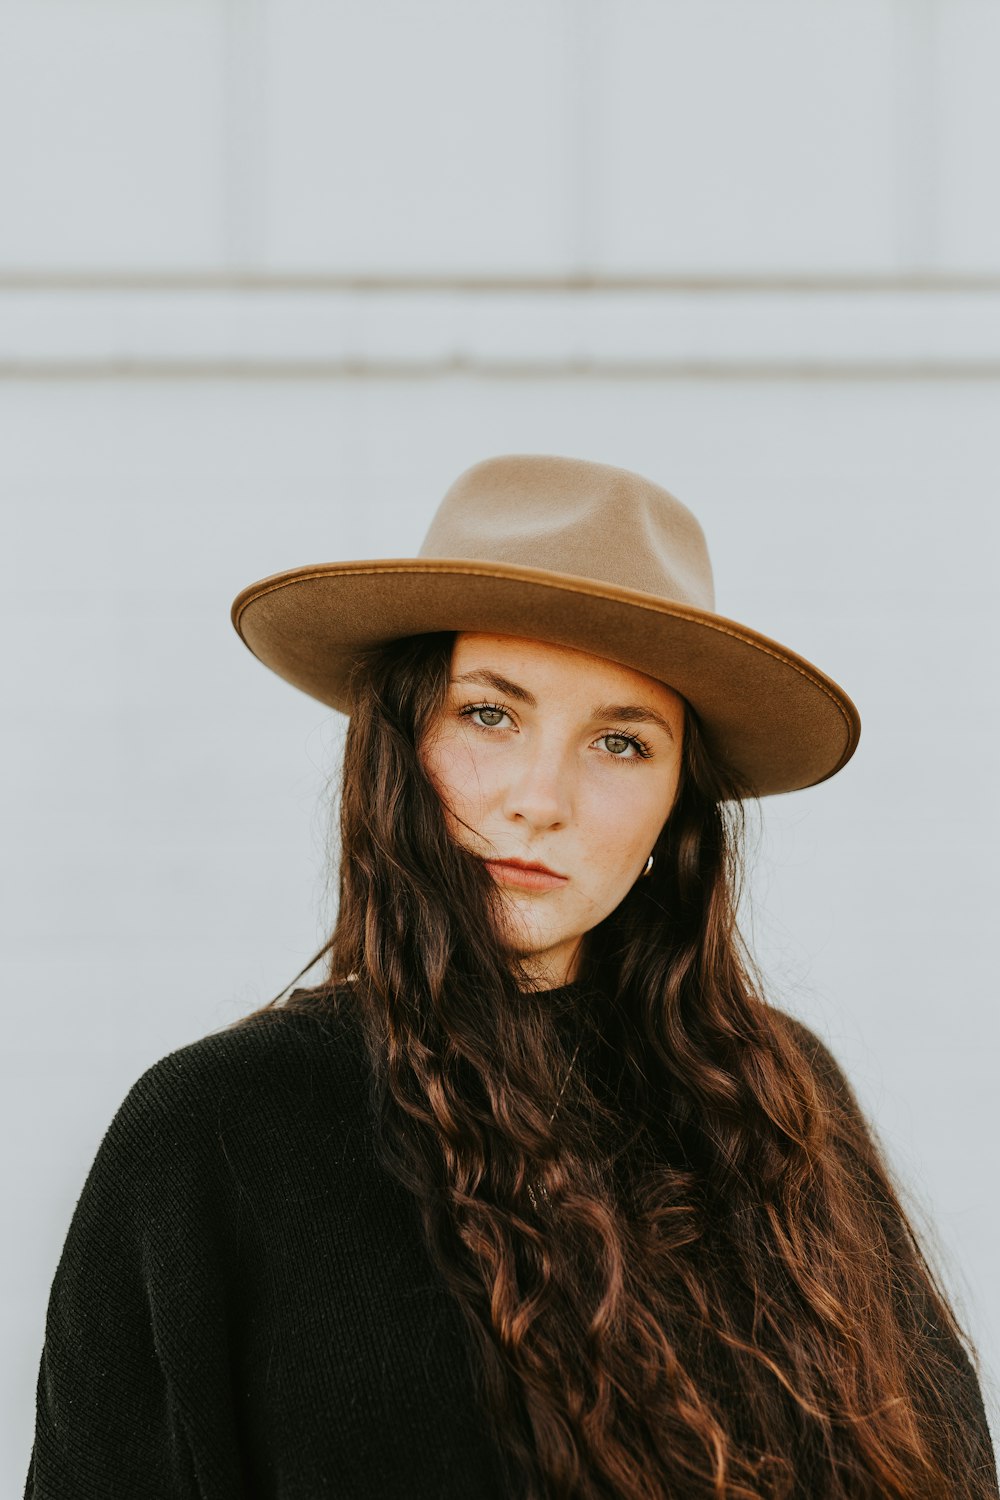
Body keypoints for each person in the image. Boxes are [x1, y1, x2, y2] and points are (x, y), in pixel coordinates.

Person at [25, 454, 997, 1499]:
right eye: (489, 714)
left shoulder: (774, 1096)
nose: (542, 798)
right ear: (398, 740)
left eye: (620, 743)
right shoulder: (217, 1127)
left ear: (676, 810)